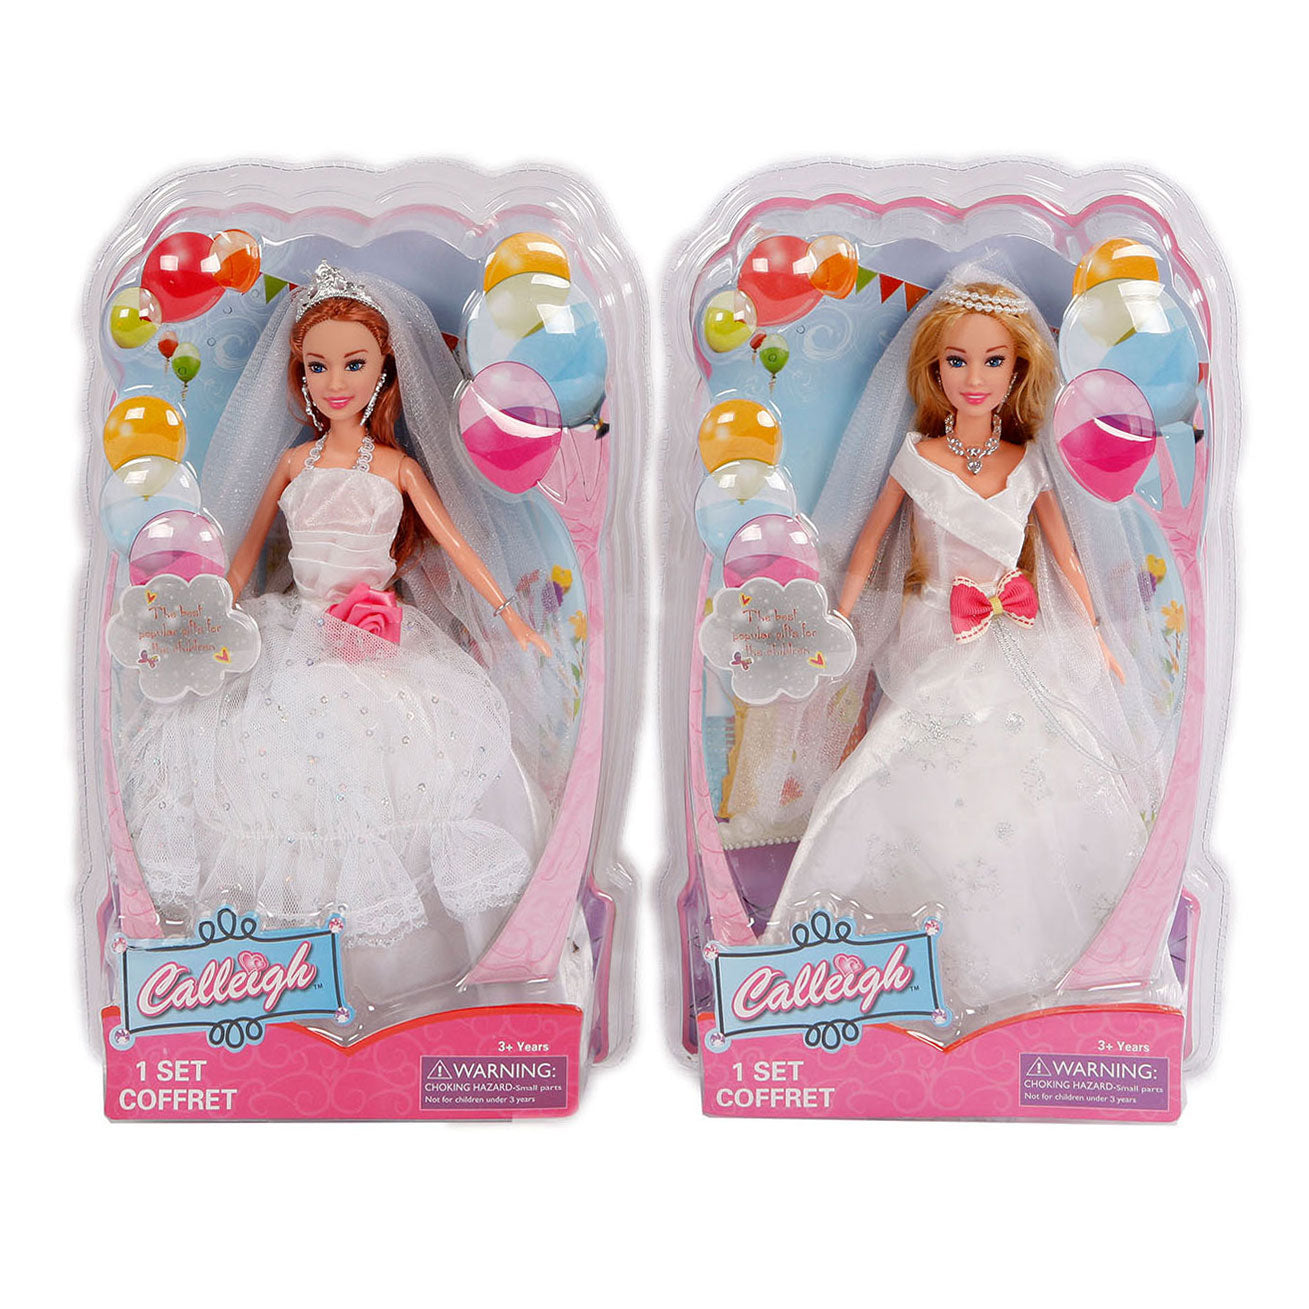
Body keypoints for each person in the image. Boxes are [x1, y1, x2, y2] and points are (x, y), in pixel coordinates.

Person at [117, 264, 565, 1009]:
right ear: (299, 373)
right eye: (318, 366)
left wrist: (511, 615)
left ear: (383, 368)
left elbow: (457, 545)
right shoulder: (292, 463)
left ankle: (409, 978)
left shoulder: (395, 467)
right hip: (294, 634)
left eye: (353, 363)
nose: (335, 381)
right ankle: (272, 972)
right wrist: (203, 620)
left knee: (407, 773)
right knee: (268, 776)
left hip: (380, 645)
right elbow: (242, 557)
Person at [757, 265, 1169, 1019]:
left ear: (1018, 370)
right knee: (906, 763)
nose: (974, 378)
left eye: (992, 360)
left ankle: (1068, 969)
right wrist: (836, 618)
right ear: (934, 369)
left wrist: (1097, 638)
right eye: (957, 360)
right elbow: (866, 545)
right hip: (938, 637)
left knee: (1044, 778)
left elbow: (1066, 558)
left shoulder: (1028, 462)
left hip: (1018, 637)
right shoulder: (916, 458)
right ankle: (876, 967)